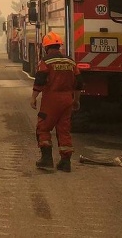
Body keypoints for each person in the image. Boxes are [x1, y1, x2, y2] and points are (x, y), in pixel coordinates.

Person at [30, 31, 81, 172]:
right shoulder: (70, 62)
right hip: (67, 100)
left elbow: (40, 81)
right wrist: (76, 101)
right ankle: (65, 162)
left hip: (51, 100)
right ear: (59, 46)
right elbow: (78, 84)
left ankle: (46, 160)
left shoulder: (46, 62)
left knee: (43, 128)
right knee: (64, 130)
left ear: (46, 47)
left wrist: (33, 97)